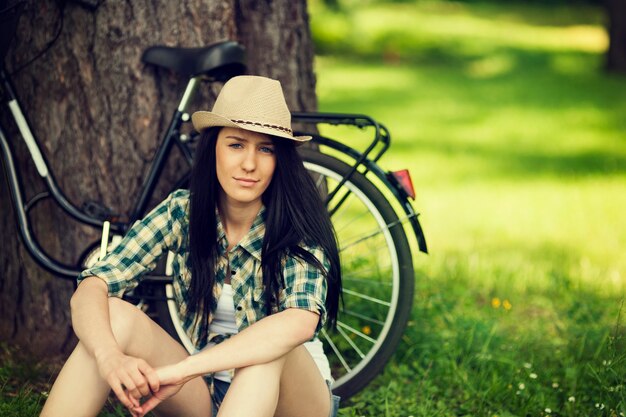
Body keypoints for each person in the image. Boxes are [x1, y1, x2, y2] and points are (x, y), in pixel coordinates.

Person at [40, 75, 342, 417]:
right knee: (116, 314)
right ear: (213, 147)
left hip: (293, 402)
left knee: (267, 349)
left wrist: (184, 369)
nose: (249, 164)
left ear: (280, 160)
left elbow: (299, 323)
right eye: (236, 144)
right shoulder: (183, 211)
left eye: (266, 149)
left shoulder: (297, 225)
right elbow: (92, 285)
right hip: (208, 392)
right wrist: (109, 357)